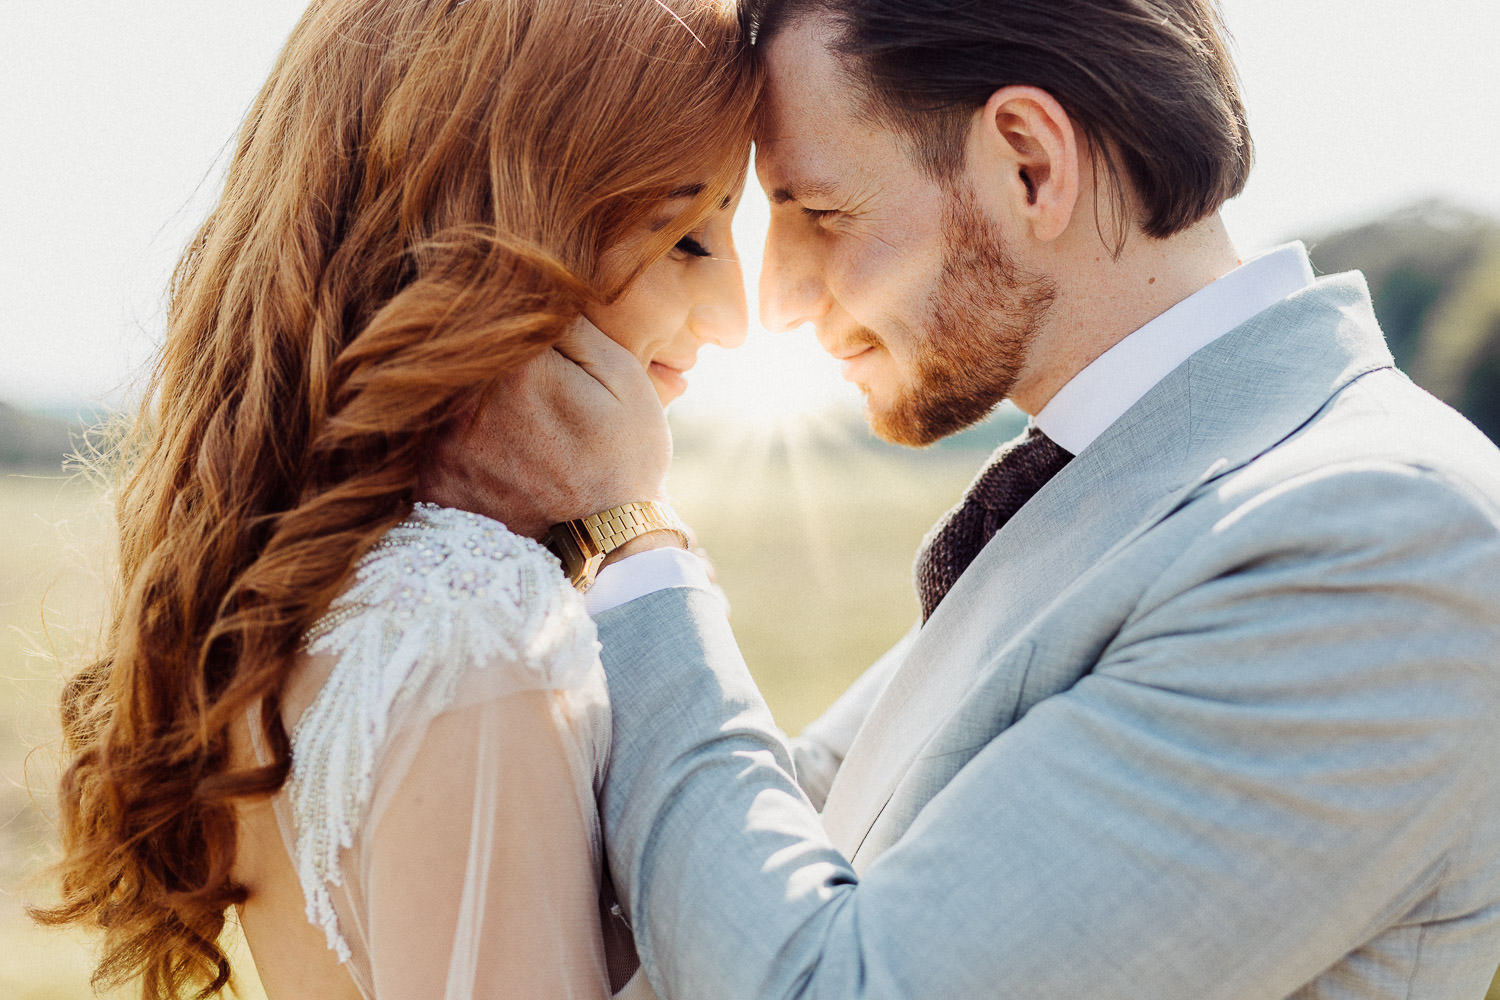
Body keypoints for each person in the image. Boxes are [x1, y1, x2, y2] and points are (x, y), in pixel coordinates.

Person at [427, 0, 1500, 997]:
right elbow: (785, 830)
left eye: (821, 210)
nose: (780, 300)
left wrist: (629, 529)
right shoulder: (1117, 484)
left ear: (1029, 164)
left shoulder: (1381, 540)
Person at [30, 1, 756, 998]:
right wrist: (636, 520)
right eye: (683, 235)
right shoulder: (476, 626)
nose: (737, 316)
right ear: (498, 235)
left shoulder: (302, 596)